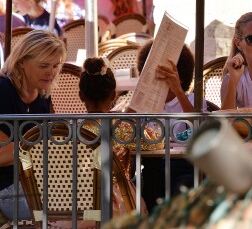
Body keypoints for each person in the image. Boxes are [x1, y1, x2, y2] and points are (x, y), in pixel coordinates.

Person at [78, 57, 164, 216]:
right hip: (115, 205)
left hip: (75, 205)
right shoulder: (122, 127)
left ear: (81, 96)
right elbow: (157, 143)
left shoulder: (68, 129)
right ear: (113, 96)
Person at [133, 39, 207, 211]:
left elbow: (199, 126)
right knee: (135, 190)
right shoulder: (145, 104)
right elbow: (125, 128)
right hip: (152, 166)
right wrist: (140, 92)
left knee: (181, 194)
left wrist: (178, 90)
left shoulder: (192, 101)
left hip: (184, 166)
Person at [0, 30, 66, 220]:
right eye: (43, 65)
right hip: (8, 186)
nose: (51, 72)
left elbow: (53, 138)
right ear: (21, 62)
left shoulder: (43, 94)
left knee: (101, 201)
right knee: (69, 213)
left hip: (42, 181)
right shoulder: (3, 91)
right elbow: (2, 155)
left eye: (55, 65)